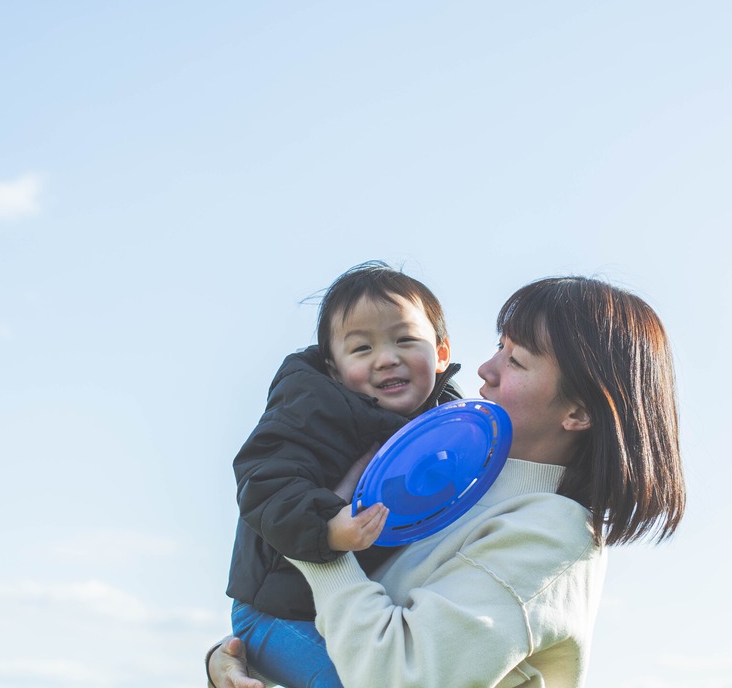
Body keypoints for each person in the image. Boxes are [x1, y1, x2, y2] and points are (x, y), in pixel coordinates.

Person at [209, 276, 686, 688]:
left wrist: (320, 541)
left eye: (517, 360)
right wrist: (237, 656)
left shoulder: (551, 533)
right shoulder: (456, 485)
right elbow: (346, 631)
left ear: (579, 412)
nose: (486, 369)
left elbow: (397, 676)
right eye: (501, 346)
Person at [227, 262, 463, 688]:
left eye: (405, 339)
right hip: (278, 610)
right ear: (333, 369)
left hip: (356, 612)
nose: (387, 359)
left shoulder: (452, 427)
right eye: (361, 349)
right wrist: (328, 527)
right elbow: (264, 482)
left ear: (441, 352)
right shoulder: (311, 408)